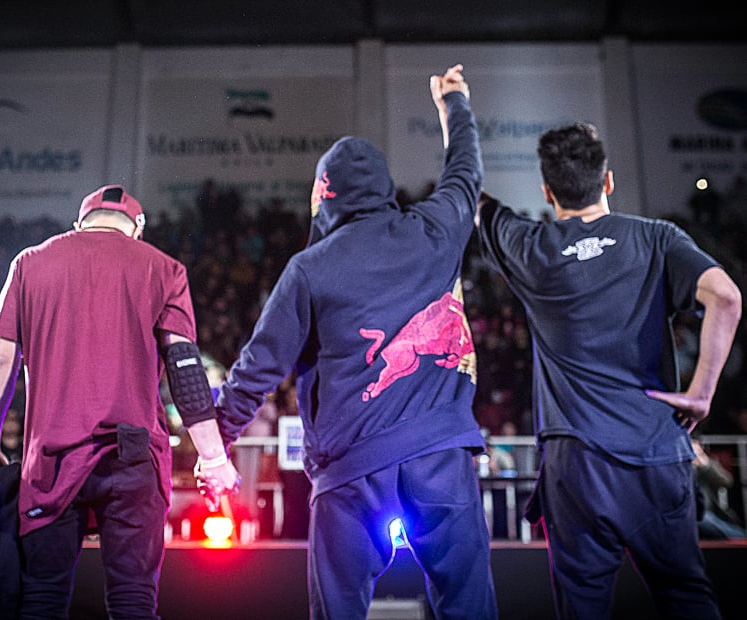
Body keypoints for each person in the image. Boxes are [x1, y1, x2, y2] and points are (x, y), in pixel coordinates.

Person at [214, 64, 497, 619]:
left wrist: (215, 440)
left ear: (324, 195)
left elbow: (258, 367)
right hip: (441, 457)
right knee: (469, 609)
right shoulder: (435, 229)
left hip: (352, 474)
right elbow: (465, 169)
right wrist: (454, 104)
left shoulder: (309, 268)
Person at [475, 122, 742, 619]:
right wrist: (702, 392)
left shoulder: (533, 248)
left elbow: (470, 192)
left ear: (547, 191)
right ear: (609, 181)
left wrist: (454, 110)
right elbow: (726, 297)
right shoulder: (656, 239)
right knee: (687, 600)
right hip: (655, 450)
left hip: (576, 467)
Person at [0, 185, 240, 619]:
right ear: (136, 228)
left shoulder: (30, 262)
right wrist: (213, 457)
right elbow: (184, 366)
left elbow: (1, 361)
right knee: (133, 600)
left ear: (80, 223)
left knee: (42, 599)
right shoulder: (163, 268)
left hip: (50, 462)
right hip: (134, 457)